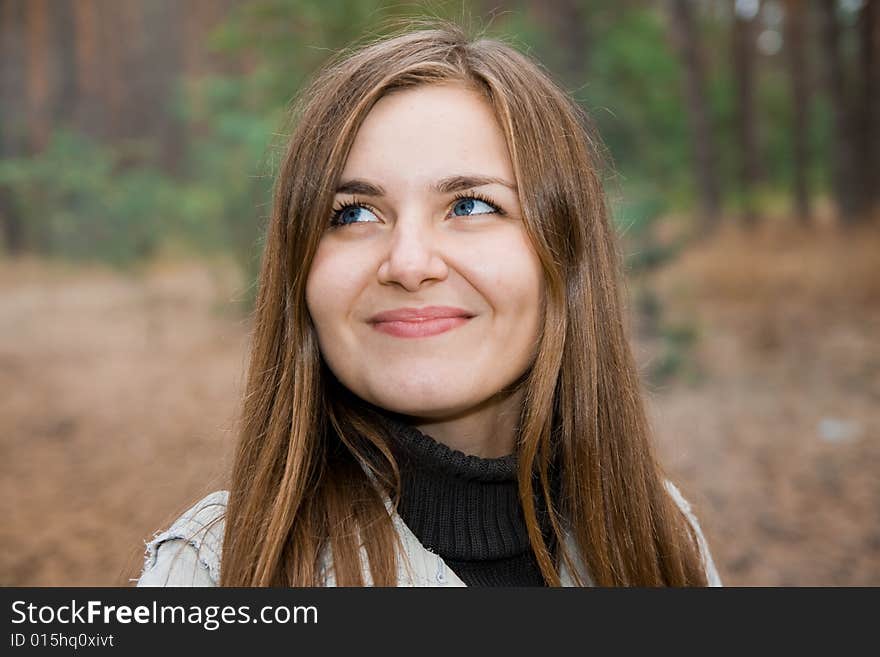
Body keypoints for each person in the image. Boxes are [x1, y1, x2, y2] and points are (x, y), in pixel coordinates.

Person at [136, 19, 721, 587]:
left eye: (470, 205)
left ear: (564, 255)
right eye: (354, 214)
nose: (409, 264)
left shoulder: (661, 541)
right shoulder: (215, 574)